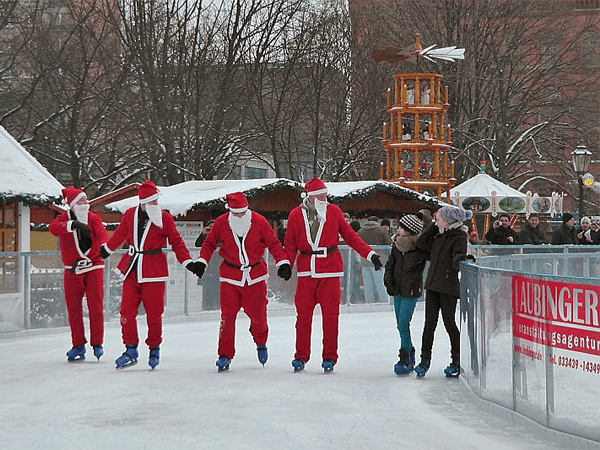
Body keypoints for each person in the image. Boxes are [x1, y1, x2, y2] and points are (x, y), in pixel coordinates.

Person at [100, 180, 203, 370]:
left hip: (154, 271)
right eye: (151, 201)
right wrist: (107, 248)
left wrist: (188, 262)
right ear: (143, 202)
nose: (155, 205)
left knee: (154, 315)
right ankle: (130, 349)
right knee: (126, 313)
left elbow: (176, 241)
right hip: (132, 268)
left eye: (157, 201)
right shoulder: (130, 214)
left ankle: (154, 348)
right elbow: (120, 234)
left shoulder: (164, 218)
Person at [285, 177, 381, 373]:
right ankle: (300, 356)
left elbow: (350, 236)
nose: (325, 199)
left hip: (330, 270)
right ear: (311, 197)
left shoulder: (333, 211)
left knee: (331, 317)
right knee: (303, 316)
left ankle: (329, 356)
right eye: (321, 196)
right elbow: (290, 243)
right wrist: (286, 264)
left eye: (326, 195)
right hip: (306, 272)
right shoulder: (296, 214)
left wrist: (370, 254)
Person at [196, 192, 292, 372]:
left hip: (255, 277)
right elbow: (209, 244)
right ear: (230, 211)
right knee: (227, 317)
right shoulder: (221, 223)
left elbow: (273, 243)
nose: (240, 215)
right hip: (230, 278)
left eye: (243, 212)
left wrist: (282, 262)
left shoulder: (259, 221)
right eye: (236, 213)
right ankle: (224, 354)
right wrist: (202, 261)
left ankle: (261, 342)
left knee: (259, 318)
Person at [49, 187, 109, 362]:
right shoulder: (63, 219)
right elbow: (53, 228)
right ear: (73, 205)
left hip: (93, 266)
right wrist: (71, 225)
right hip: (72, 269)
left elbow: (103, 236)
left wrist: (101, 250)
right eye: (81, 201)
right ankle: (78, 345)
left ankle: (97, 343)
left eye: (86, 200)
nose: (85, 204)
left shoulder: (94, 218)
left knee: (95, 306)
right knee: (73, 308)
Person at [414, 205, 473, 378]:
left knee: (449, 323)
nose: (435, 221)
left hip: (448, 287)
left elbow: (458, 256)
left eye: (438, 219)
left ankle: (456, 360)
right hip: (432, 285)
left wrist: (461, 260)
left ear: (448, 221)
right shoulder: (438, 236)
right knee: (429, 324)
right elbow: (421, 243)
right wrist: (434, 226)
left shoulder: (459, 237)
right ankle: (424, 360)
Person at [384, 214, 427, 375]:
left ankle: (405, 356)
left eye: (402, 228)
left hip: (411, 290)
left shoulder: (419, 249)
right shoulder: (396, 247)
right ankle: (409, 351)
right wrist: (388, 283)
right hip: (397, 290)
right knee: (400, 324)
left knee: (403, 323)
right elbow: (390, 266)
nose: (398, 230)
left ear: (410, 231)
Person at [357, 216, 392, 303]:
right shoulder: (381, 231)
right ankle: (383, 301)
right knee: (380, 283)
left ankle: (369, 301)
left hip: (364, 260)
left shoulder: (360, 231)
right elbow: (388, 244)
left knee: (368, 284)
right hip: (379, 260)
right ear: (377, 221)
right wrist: (387, 256)